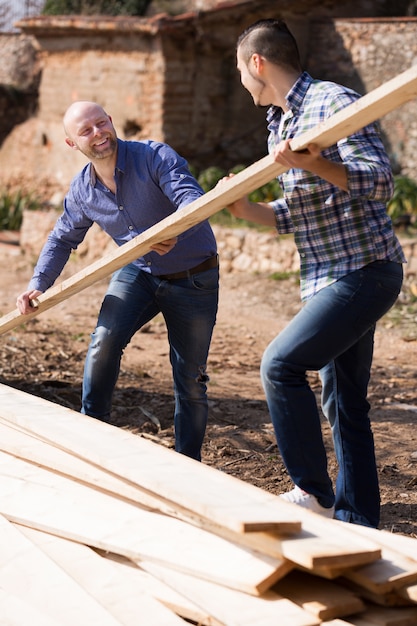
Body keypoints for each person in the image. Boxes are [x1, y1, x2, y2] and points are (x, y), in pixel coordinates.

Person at [226, 19, 405, 527]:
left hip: (365, 269)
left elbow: (380, 183)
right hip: (327, 277)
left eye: (241, 69)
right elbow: (294, 213)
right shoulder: (280, 127)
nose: (241, 81)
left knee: (279, 365)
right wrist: (243, 210)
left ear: (257, 63)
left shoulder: (332, 103)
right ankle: (357, 517)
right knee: (344, 401)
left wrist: (313, 164)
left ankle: (313, 490)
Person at [16, 100, 219, 462]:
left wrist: (175, 226)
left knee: (190, 378)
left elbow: (191, 198)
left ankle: (188, 465)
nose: (98, 134)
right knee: (103, 343)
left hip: (193, 277)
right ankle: (93, 439)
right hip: (138, 272)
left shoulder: (154, 156)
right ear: (71, 144)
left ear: (111, 121)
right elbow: (63, 238)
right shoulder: (83, 190)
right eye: (86, 131)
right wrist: (38, 284)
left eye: (101, 123)